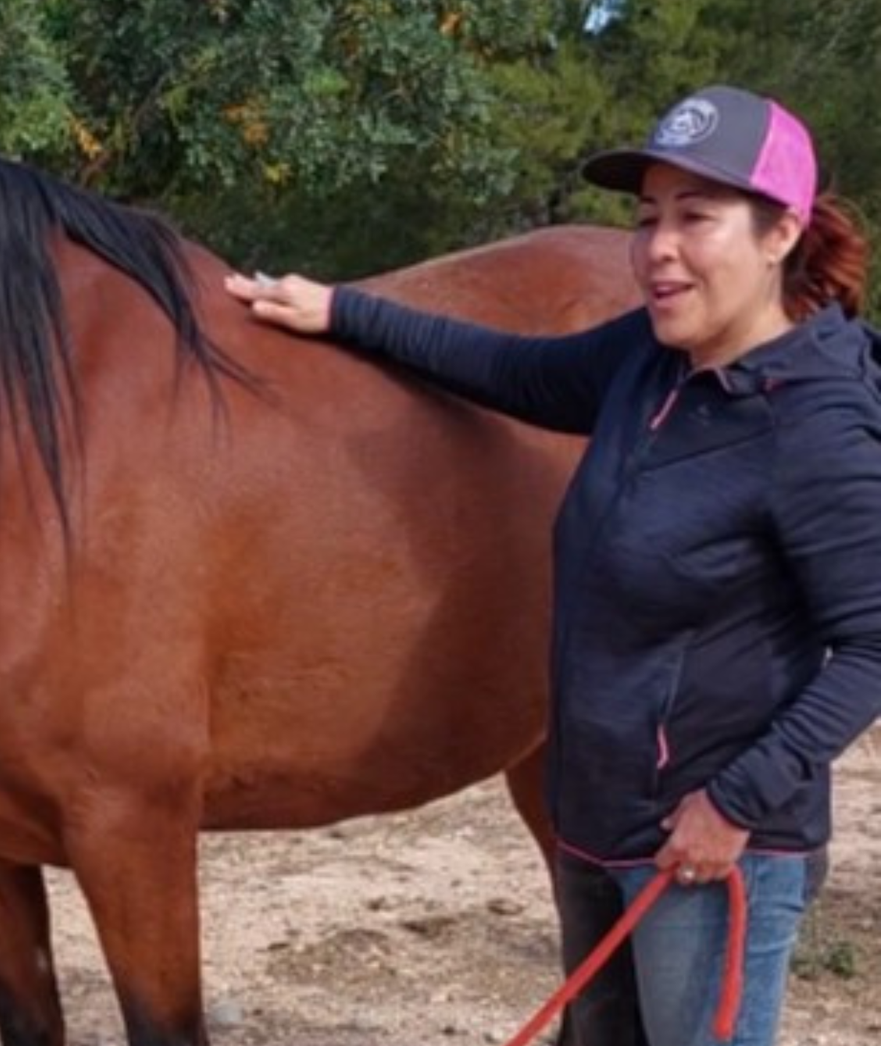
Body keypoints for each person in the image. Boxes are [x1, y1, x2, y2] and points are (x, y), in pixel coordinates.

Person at [225, 85, 881, 1046]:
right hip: (600, 825)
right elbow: (508, 371)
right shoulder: (651, 362)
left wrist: (735, 804)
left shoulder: (814, 423)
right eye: (647, 217)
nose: (658, 246)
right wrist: (343, 312)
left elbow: (872, 642)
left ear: (780, 233)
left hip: (706, 856)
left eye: (696, 217)